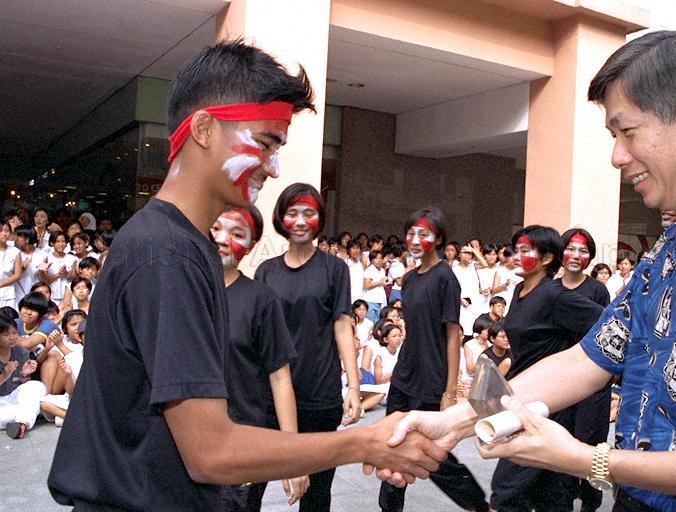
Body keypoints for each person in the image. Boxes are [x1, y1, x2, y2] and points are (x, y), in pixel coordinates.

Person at [48, 40, 446, 511]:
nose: (273, 166)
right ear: (202, 128)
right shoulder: (166, 255)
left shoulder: (181, 246)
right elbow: (211, 454)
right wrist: (363, 443)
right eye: (265, 143)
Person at [384, 30, 676, 511]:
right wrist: (456, 420)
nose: (617, 157)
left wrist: (590, 461)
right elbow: (584, 360)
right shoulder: (669, 251)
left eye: (627, 132)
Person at [255, 183, 364, 512]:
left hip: (319, 392)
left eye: (309, 213)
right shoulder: (266, 271)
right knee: (246, 488)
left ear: (319, 219)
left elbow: (342, 326)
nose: (300, 220)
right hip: (268, 397)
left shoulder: (335, 269)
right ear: (281, 218)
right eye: (292, 213)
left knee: (316, 494)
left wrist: (354, 386)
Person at [379, 207, 489, 512]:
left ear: (438, 238)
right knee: (392, 444)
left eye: (423, 234)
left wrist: (449, 391)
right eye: (411, 233)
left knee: (434, 454)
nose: (414, 240)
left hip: (432, 376)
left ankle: (481, 506)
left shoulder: (445, 278)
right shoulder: (410, 278)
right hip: (405, 373)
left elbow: (453, 335)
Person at [488, 226, 603, 512]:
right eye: (515, 250)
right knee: (547, 494)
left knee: (508, 491)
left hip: (548, 406)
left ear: (547, 258)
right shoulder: (518, 290)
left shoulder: (556, 295)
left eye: (526, 251)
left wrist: (580, 367)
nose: (517, 256)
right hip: (520, 397)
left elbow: (605, 325)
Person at [212, 206, 310, 510]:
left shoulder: (260, 300)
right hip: (185, 441)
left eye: (237, 234)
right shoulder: (184, 291)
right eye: (216, 228)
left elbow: (280, 377)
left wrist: (291, 454)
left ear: (250, 247)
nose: (222, 240)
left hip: (242, 443)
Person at [557, 228, 611, 512]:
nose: (576, 256)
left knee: (591, 445)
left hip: (593, 381)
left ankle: (590, 503)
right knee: (561, 443)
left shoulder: (597, 290)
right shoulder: (550, 290)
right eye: (571, 249)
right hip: (559, 380)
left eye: (583, 251)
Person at [0, 314, 45, 439]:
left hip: (13, 397)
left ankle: (21, 424)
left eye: (14, 333)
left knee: (36, 386)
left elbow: (24, 386)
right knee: (31, 408)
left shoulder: (21, 352)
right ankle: (26, 417)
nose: (12, 337)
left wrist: (24, 375)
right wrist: (5, 375)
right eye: (6, 334)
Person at [0, 221, 22, 309]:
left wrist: (1, 283)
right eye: (1, 231)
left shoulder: (15, 251)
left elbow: (17, 274)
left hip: (8, 293)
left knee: (8, 319)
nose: (4, 234)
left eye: (7, 231)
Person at [363, 249, 388, 323]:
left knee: (378, 323)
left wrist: (384, 283)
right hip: (370, 300)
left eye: (380, 258)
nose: (379, 260)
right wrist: (380, 282)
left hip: (380, 300)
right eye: (376, 258)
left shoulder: (382, 270)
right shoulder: (370, 270)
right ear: (371, 260)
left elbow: (381, 284)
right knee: (370, 323)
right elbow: (366, 285)